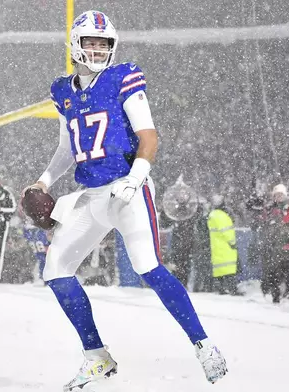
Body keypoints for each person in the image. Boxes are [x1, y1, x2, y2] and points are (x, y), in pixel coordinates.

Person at [22, 10, 227, 390]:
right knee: (55, 270)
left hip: (126, 188)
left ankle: (204, 345)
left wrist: (136, 178)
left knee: (149, 267)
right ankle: (97, 357)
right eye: (91, 43)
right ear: (75, 44)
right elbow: (68, 147)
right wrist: (44, 180)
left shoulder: (122, 77)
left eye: (104, 44)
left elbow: (148, 136)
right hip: (90, 194)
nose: (98, 50)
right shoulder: (63, 91)